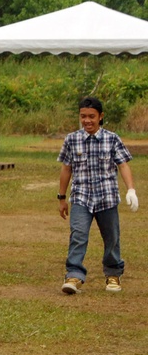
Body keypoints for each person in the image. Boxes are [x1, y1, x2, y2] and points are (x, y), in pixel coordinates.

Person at [58, 96, 137, 295]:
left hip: (106, 198)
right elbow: (66, 169)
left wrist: (131, 189)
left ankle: (113, 274)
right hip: (81, 198)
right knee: (78, 235)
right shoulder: (72, 139)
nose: (87, 121)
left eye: (91, 116)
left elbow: (123, 165)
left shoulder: (112, 139)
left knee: (111, 237)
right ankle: (73, 276)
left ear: (100, 117)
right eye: (83, 116)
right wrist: (61, 197)